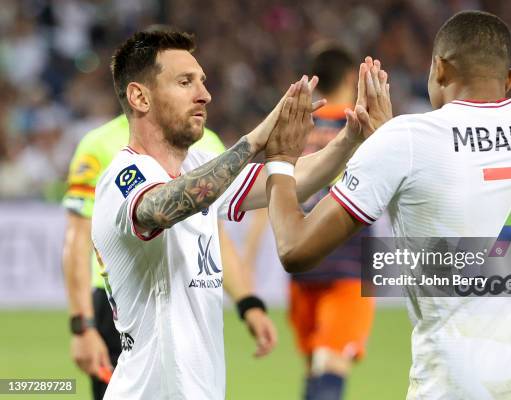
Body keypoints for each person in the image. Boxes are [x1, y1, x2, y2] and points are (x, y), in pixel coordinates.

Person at [264, 11, 511, 400]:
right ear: (509, 79)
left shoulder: (407, 140)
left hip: (456, 386)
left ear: (439, 69)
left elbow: (295, 248)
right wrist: (386, 153)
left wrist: (280, 161)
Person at [91, 30, 378, 399]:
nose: (204, 94)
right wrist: (256, 141)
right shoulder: (122, 178)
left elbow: (294, 179)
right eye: (184, 82)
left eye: (202, 81)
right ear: (139, 96)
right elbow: (162, 206)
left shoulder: (198, 164)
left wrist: (352, 137)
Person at [62, 113, 276, 399]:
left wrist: (247, 303)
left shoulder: (206, 145)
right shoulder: (99, 145)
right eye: (183, 82)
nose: (202, 95)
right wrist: (82, 326)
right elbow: (77, 237)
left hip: (191, 299)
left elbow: (215, 238)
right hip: (124, 305)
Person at [288, 44, 375, 400]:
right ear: (350, 78)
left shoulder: (296, 125)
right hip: (347, 261)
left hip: (301, 258)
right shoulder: (359, 124)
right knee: (332, 365)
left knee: (313, 363)